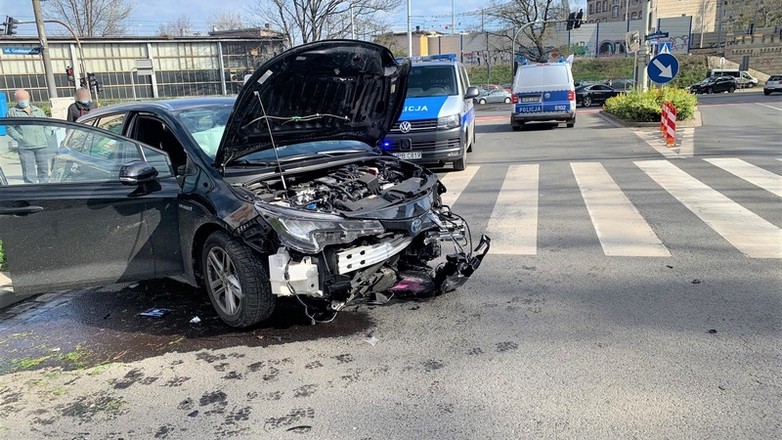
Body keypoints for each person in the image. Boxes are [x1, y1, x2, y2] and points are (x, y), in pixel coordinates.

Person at [6, 89, 53, 184]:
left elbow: (47, 124)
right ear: (16, 100)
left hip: (41, 144)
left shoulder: (38, 111)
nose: (22, 100)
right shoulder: (12, 112)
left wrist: (46, 136)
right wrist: (20, 138)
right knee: (28, 170)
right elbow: (9, 127)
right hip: (25, 146)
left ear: (29, 98)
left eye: (24, 98)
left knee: (43, 168)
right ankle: (31, 189)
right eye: (20, 98)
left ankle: (44, 187)